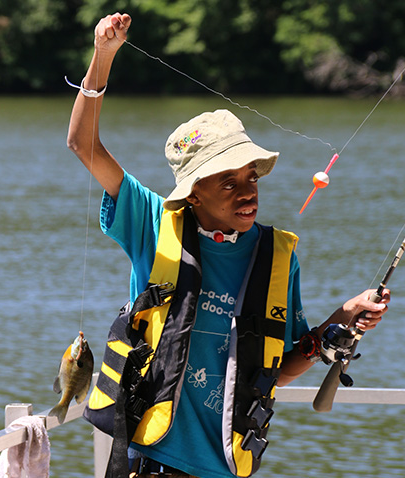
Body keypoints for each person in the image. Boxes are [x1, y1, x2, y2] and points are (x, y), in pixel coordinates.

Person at [67, 12, 391, 478]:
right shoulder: (153, 222)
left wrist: (343, 316)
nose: (248, 190)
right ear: (192, 192)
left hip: (229, 467)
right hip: (152, 463)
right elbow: (82, 142)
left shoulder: (277, 255)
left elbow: (281, 368)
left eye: (251, 175)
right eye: (228, 180)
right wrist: (103, 55)